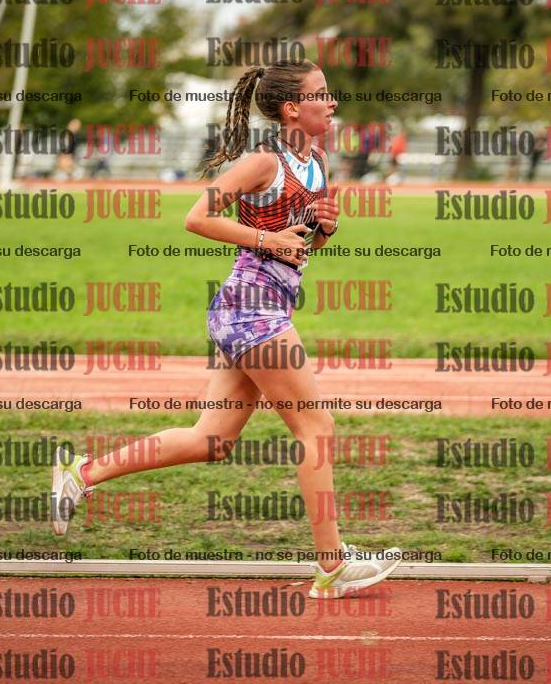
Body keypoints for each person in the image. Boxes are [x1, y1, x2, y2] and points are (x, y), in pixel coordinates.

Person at [51, 59, 401, 599]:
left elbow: (301, 242)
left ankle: (81, 474)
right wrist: (268, 240)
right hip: (252, 307)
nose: (332, 102)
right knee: (317, 429)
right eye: (321, 94)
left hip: (262, 305)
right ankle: (332, 567)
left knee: (211, 440)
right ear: (292, 108)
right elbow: (197, 217)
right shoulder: (263, 161)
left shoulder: (317, 160)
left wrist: (323, 231)